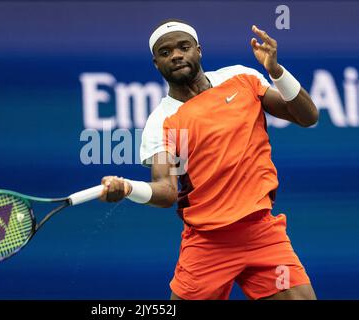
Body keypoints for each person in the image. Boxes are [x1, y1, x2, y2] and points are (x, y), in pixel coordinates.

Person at [99, 19, 318, 300]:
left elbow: (307, 116)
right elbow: (166, 192)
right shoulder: (160, 122)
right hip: (207, 244)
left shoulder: (242, 79)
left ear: (199, 51)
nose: (176, 55)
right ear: (156, 64)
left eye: (183, 47)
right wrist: (128, 188)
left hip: (261, 233)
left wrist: (275, 71)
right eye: (165, 53)